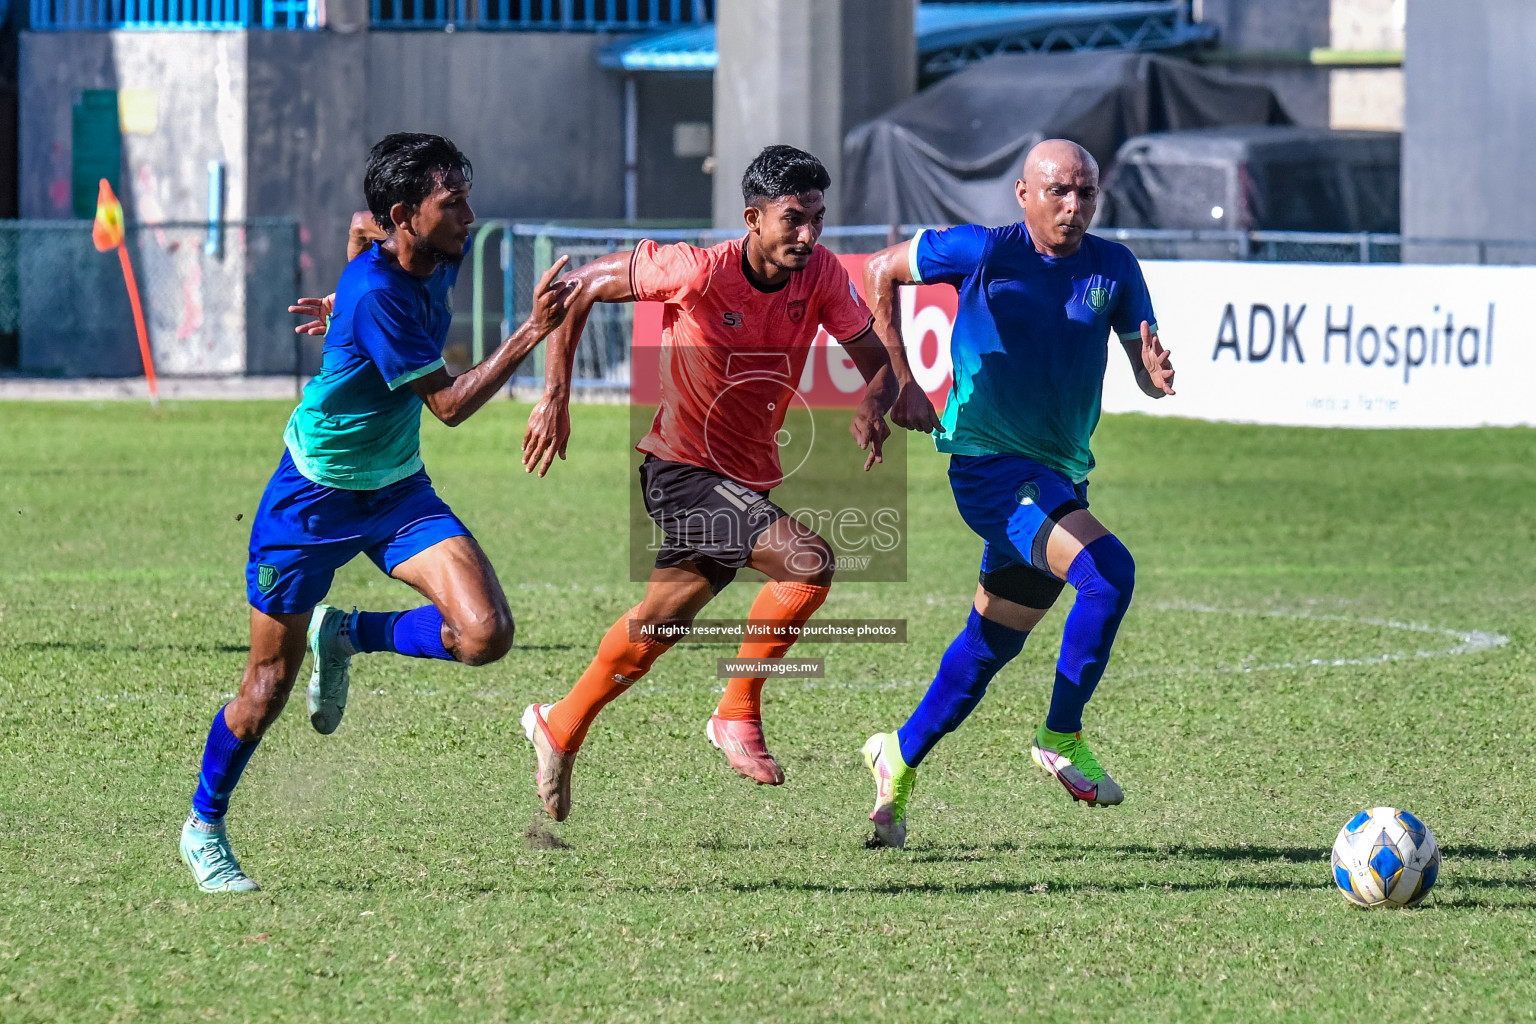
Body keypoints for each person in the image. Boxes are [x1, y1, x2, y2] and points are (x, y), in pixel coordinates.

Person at [178, 133, 580, 892]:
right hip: (312, 501)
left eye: (465, 197)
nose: (468, 214)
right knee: (265, 690)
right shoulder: (381, 296)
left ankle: (351, 631)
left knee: (485, 634)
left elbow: (364, 232)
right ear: (407, 214)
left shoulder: (424, 251)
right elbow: (451, 405)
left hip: (395, 489)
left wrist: (342, 285)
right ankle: (203, 824)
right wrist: (531, 329)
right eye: (451, 203)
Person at [518, 144, 935, 821]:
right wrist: (554, 394)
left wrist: (880, 395)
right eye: (794, 219)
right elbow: (579, 289)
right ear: (753, 217)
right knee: (808, 564)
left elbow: (875, 358)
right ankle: (736, 712)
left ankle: (558, 724)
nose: (809, 235)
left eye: (819, 219)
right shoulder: (695, 269)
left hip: (743, 481)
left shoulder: (822, 273)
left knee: (661, 624)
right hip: (681, 471)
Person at [858, 139, 1176, 848]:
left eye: (1087, 193)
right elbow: (879, 270)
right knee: (1108, 572)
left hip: (1057, 475)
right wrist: (902, 378)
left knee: (988, 645)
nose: (1074, 206)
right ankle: (1061, 735)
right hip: (990, 469)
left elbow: (1145, 368)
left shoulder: (1114, 267)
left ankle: (897, 755)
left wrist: (1154, 371)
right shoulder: (982, 250)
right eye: (1059, 191)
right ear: (1023, 193)